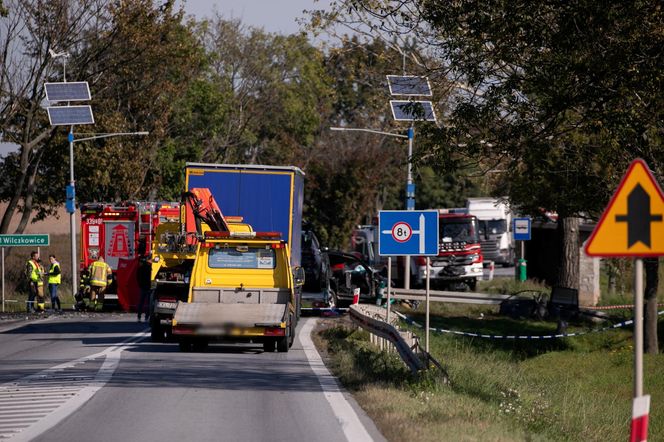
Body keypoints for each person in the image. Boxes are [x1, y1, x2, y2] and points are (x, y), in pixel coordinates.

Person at [136, 257, 152, 322]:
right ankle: (146, 317)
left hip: (143, 287)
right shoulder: (150, 268)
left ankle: (139, 317)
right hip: (149, 287)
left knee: (141, 303)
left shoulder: (140, 268)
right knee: (148, 303)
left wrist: (140, 285)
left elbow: (137, 277)